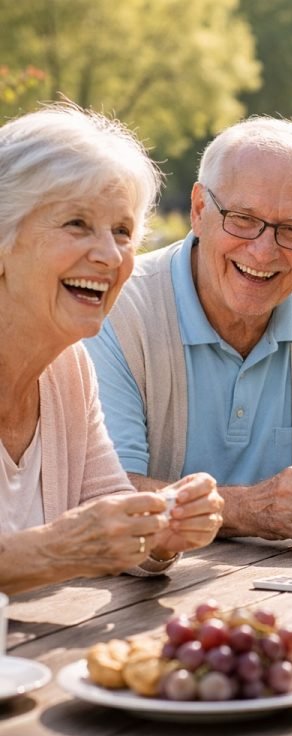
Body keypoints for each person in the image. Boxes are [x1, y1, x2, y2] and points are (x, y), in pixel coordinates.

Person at [85, 116, 292, 547]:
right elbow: (110, 493)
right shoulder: (119, 310)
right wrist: (246, 508)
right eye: (242, 219)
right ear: (199, 210)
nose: (263, 251)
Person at [0, 104, 223, 596]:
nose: (109, 255)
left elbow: (105, 509)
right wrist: (52, 552)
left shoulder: (68, 368)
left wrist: (158, 530)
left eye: (122, 231)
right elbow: (70, 544)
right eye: (77, 223)